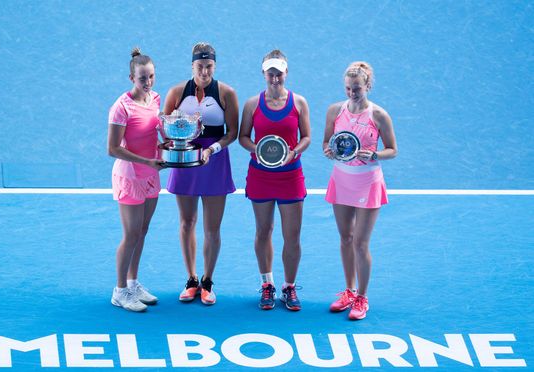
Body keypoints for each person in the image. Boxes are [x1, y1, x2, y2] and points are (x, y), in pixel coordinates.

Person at [162, 42, 239, 305]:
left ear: (214, 67)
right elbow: (164, 126)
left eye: (208, 66)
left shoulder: (226, 93)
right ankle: (191, 279)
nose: (204, 71)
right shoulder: (176, 92)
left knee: (212, 229)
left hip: (214, 163)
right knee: (186, 223)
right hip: (186, 161)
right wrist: (176, 137)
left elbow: (232, 133)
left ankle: (207, 281)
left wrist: (212, 150)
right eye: (199, 66)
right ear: (192, 66)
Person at [323, 61, 397, 320]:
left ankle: (362, 298)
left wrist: (375, 153)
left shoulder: (379, 115)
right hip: (342, 180)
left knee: (361, 243)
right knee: (345, 239)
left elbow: (392, 149)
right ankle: (349, 291)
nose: (352, 93)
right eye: (347, 88)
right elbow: (326, 143)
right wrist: (329, 151)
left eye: (356, 89)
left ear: (367, 86)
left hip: (368, 182)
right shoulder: (335, 111)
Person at [239, 50, 311, 311]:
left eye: (279, 72)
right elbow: (243, 137)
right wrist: (256, 148)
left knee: (292, 235)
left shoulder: (299, 103)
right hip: (260, 176)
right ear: (264, 73)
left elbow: (307, 137)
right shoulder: (251, 104)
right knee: (263, 231)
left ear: (286, 73)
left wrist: (294, 151)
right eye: (270, 72)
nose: (275, 77)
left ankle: (289, 287)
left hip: (291, 176)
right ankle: (267, 284)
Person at [107, 48, 165, 312]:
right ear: (131, 77)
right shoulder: (121, 107)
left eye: (151, 77)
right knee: (131, 234)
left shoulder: (155, 99)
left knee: (142, 231)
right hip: (130, 176)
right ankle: (120, 291)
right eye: (143, 78)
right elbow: (113, 149)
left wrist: (167, 149)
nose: (148, 82)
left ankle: (132, 282)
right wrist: (147, 162)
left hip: (151, 176)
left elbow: (154, 134)